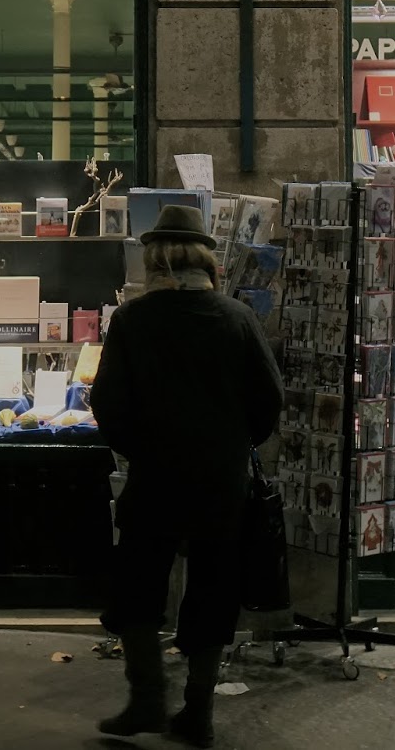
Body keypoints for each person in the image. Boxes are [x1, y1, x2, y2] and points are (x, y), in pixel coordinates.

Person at [91, 205, 283, 749]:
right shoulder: (237, 318)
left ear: (154, 260)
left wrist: (140, 449)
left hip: (155, 476)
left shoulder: (133, 321)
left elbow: (107, 403)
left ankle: (146, 698)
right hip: (221, 480)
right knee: (213, 587)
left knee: (138, 585)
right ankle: (197, 712)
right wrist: (234, 444)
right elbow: (269, 400)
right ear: (207, 261)